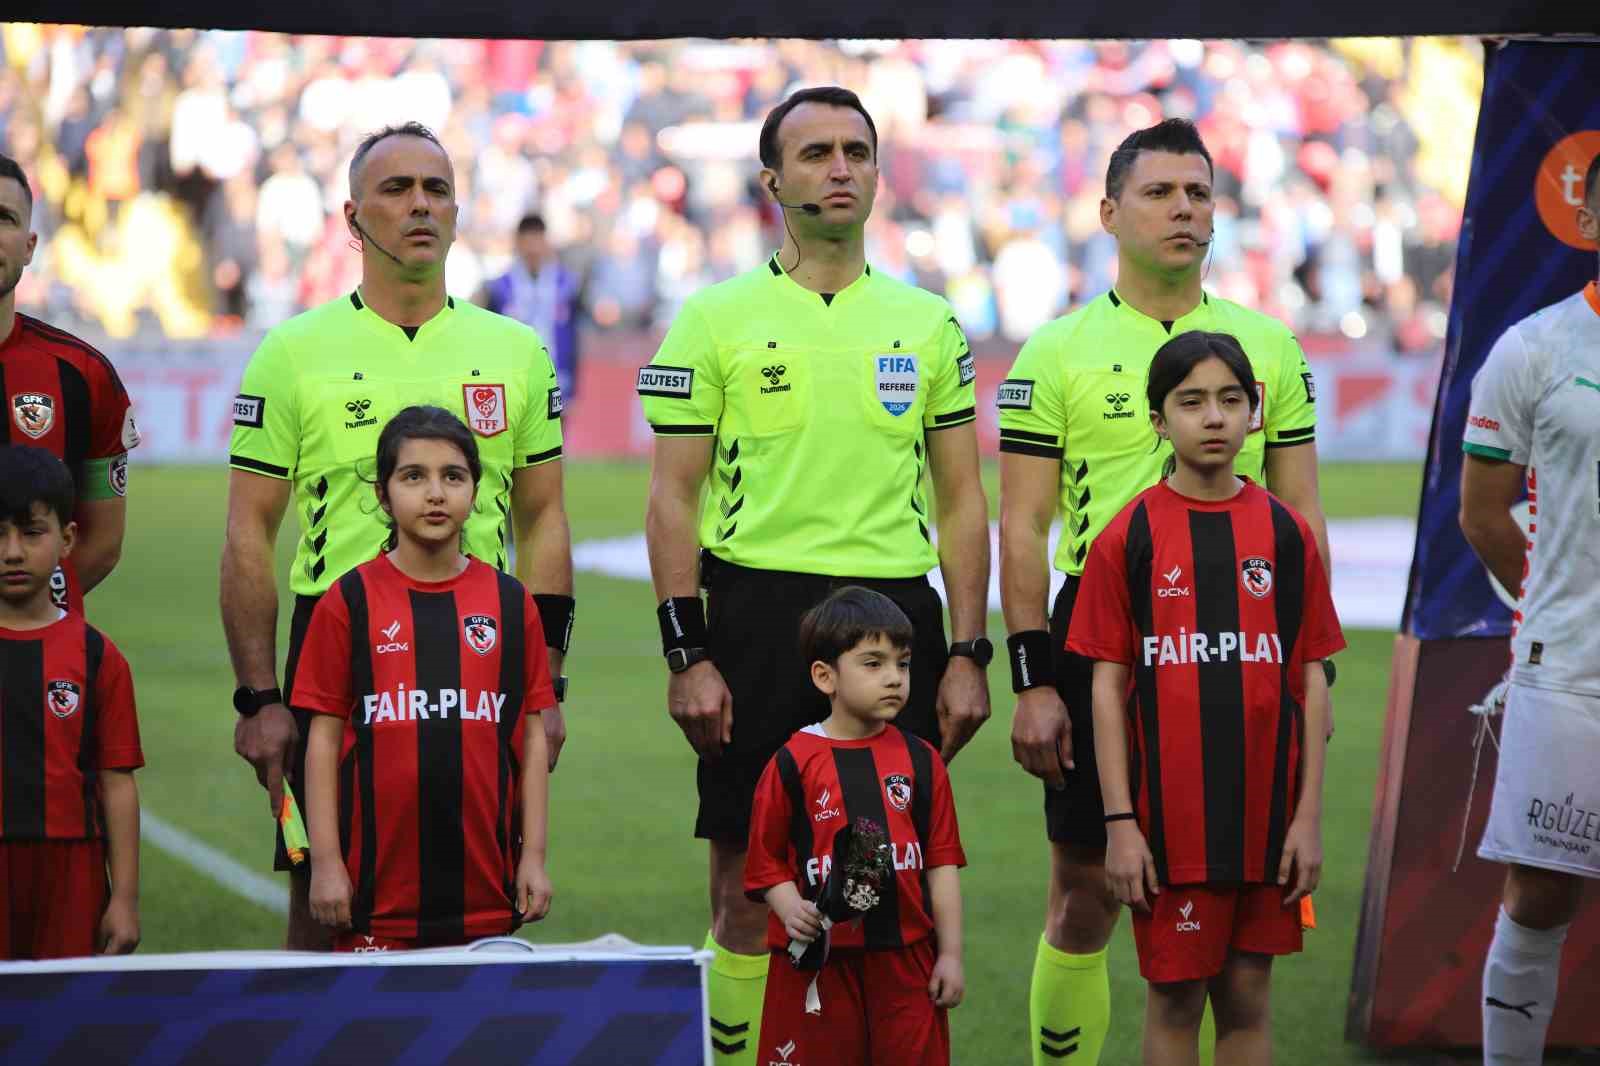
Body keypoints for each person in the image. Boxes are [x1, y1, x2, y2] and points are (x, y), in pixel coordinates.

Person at [639, 86, 990, 1064]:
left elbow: (963, 501)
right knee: (747, 898)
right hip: (756, 615)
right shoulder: (712, 320)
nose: (838, 168)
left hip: (895, 617)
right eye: (815, 153)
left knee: (893, 890)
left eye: (855, 151)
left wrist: (967, 653)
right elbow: (671, 498)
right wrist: (687, 654)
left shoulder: (927, 323)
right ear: (772, 180)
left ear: (877, 173)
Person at [996, 118, 1330, 1066]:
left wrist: (1321, 680)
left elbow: (1304, 523)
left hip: (1245, 648)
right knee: (1087, 886)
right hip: (1100, 641)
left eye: (1199, 193)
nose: (1184, 209)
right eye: (1159, 192)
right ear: (1108, 212)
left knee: (1244, 914)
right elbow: (1021, 525)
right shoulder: (1054, 351)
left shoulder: (1269, 345)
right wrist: (1032, 678)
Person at [221, 121, 574, 951]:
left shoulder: (517, 351)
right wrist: (257, 698)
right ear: (352, 218)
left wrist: (549, 681)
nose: (420, 204)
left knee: (488, 892)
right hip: (332, 661)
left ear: (457, 211)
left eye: (436, 189)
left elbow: (544, 518)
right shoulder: (291, 353)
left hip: (483, 651)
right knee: (317, 893)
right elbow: (249, 530)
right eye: (396, 189)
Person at [1068, 332, 1342, 1066]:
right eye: (1191, 402)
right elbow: (1106, 688)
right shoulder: (1128, 537)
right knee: (1177, 1001)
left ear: (1256, 413)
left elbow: (1310, 675)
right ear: (1159, 420)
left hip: (1267, 821)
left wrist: (1308, 818)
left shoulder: (1286, 534)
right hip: (1169, 827)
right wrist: (1120, 823)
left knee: (1249, 1001)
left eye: (1231, 400)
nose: (1214, 417)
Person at [298, 407, 554, 950]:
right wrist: (325, 863)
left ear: (475, 492)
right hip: (376, 894)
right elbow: (322, 740)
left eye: (452, 476)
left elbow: (531, 736)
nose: (435, 493)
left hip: (486, 890)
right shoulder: (349, 602)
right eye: (414, 476)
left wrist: (533, 857)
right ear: (384, 496)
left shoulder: (511, 603)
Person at [1458, 152, 1600, 1066]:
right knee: (1541, 895)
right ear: (1587, 215)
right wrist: (1558, 607)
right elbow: (1481, 511)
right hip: (1572, 671)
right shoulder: (1536, 347)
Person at [746, 586, 966, 1066]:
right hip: (820, 965)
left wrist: (950, 954)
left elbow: (942, 864)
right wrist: (790, 908)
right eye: (873, 663)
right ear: (825, 677)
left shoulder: (922, 761)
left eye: (902, 664)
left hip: (906, 963)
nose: (894, 679)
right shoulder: (792, 762)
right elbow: (764, 864)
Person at [0, 445, 142, 959]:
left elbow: (117, 782)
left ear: (67, 539)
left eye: (30, 532)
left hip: (72, 870)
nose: (12, 552)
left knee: (63, 1024)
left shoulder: (97, 655)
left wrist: (124, 898)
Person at [0, 153, 140, 615]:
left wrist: (28, 616)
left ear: (30, 245)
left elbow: (102, 539)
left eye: (4, 219)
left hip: (36, 666)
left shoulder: (84, 374)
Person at [479, 214, 583, 407]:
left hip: (555, 374)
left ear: (545, 242)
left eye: (537, 240)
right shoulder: (500, 287)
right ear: (517, 242)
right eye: (527, 240)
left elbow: (573, 336)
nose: (533, 248)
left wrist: (573, 383)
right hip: (513, 378)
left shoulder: (566, 285)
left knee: (556, 433)